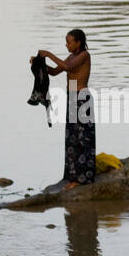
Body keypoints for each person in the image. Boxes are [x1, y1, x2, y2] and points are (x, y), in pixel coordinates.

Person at [33, 28, 93, 189]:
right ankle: (73, 176)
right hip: (72, 97)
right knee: (72, 138)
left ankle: (82, 178)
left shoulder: (84, 55)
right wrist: (40, 65)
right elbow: (54, 72)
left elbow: (67, 67)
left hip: (81, 97)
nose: (66, 45)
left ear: (78, 42)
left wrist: (49, 54)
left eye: (69, 42)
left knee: (82, 139)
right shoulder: (72, 56)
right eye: (66, 42)